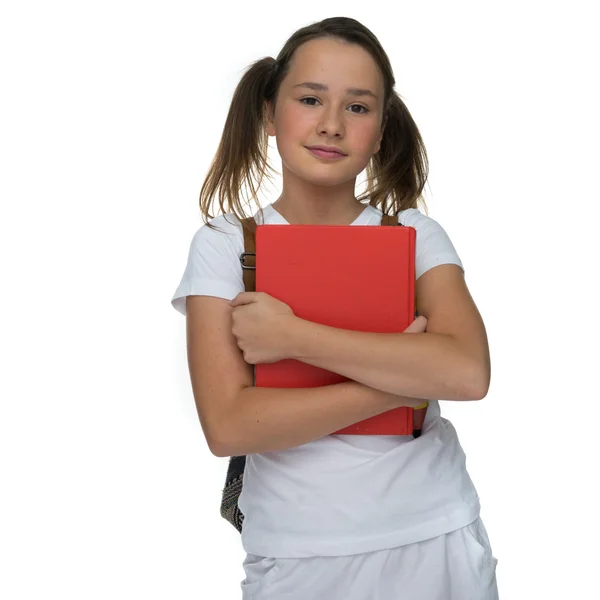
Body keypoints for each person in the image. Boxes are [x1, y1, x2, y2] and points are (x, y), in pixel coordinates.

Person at [171, 16, 499, 600]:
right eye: (310, 98)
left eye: (357, 107)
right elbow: (228, 425)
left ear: (379, 130)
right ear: (270, 115)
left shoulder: (416, 236)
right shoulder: (226, 245)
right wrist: (401, 382)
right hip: (297, 555)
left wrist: (294, 337)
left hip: (436, 537)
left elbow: (467, 373)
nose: (330, 124)